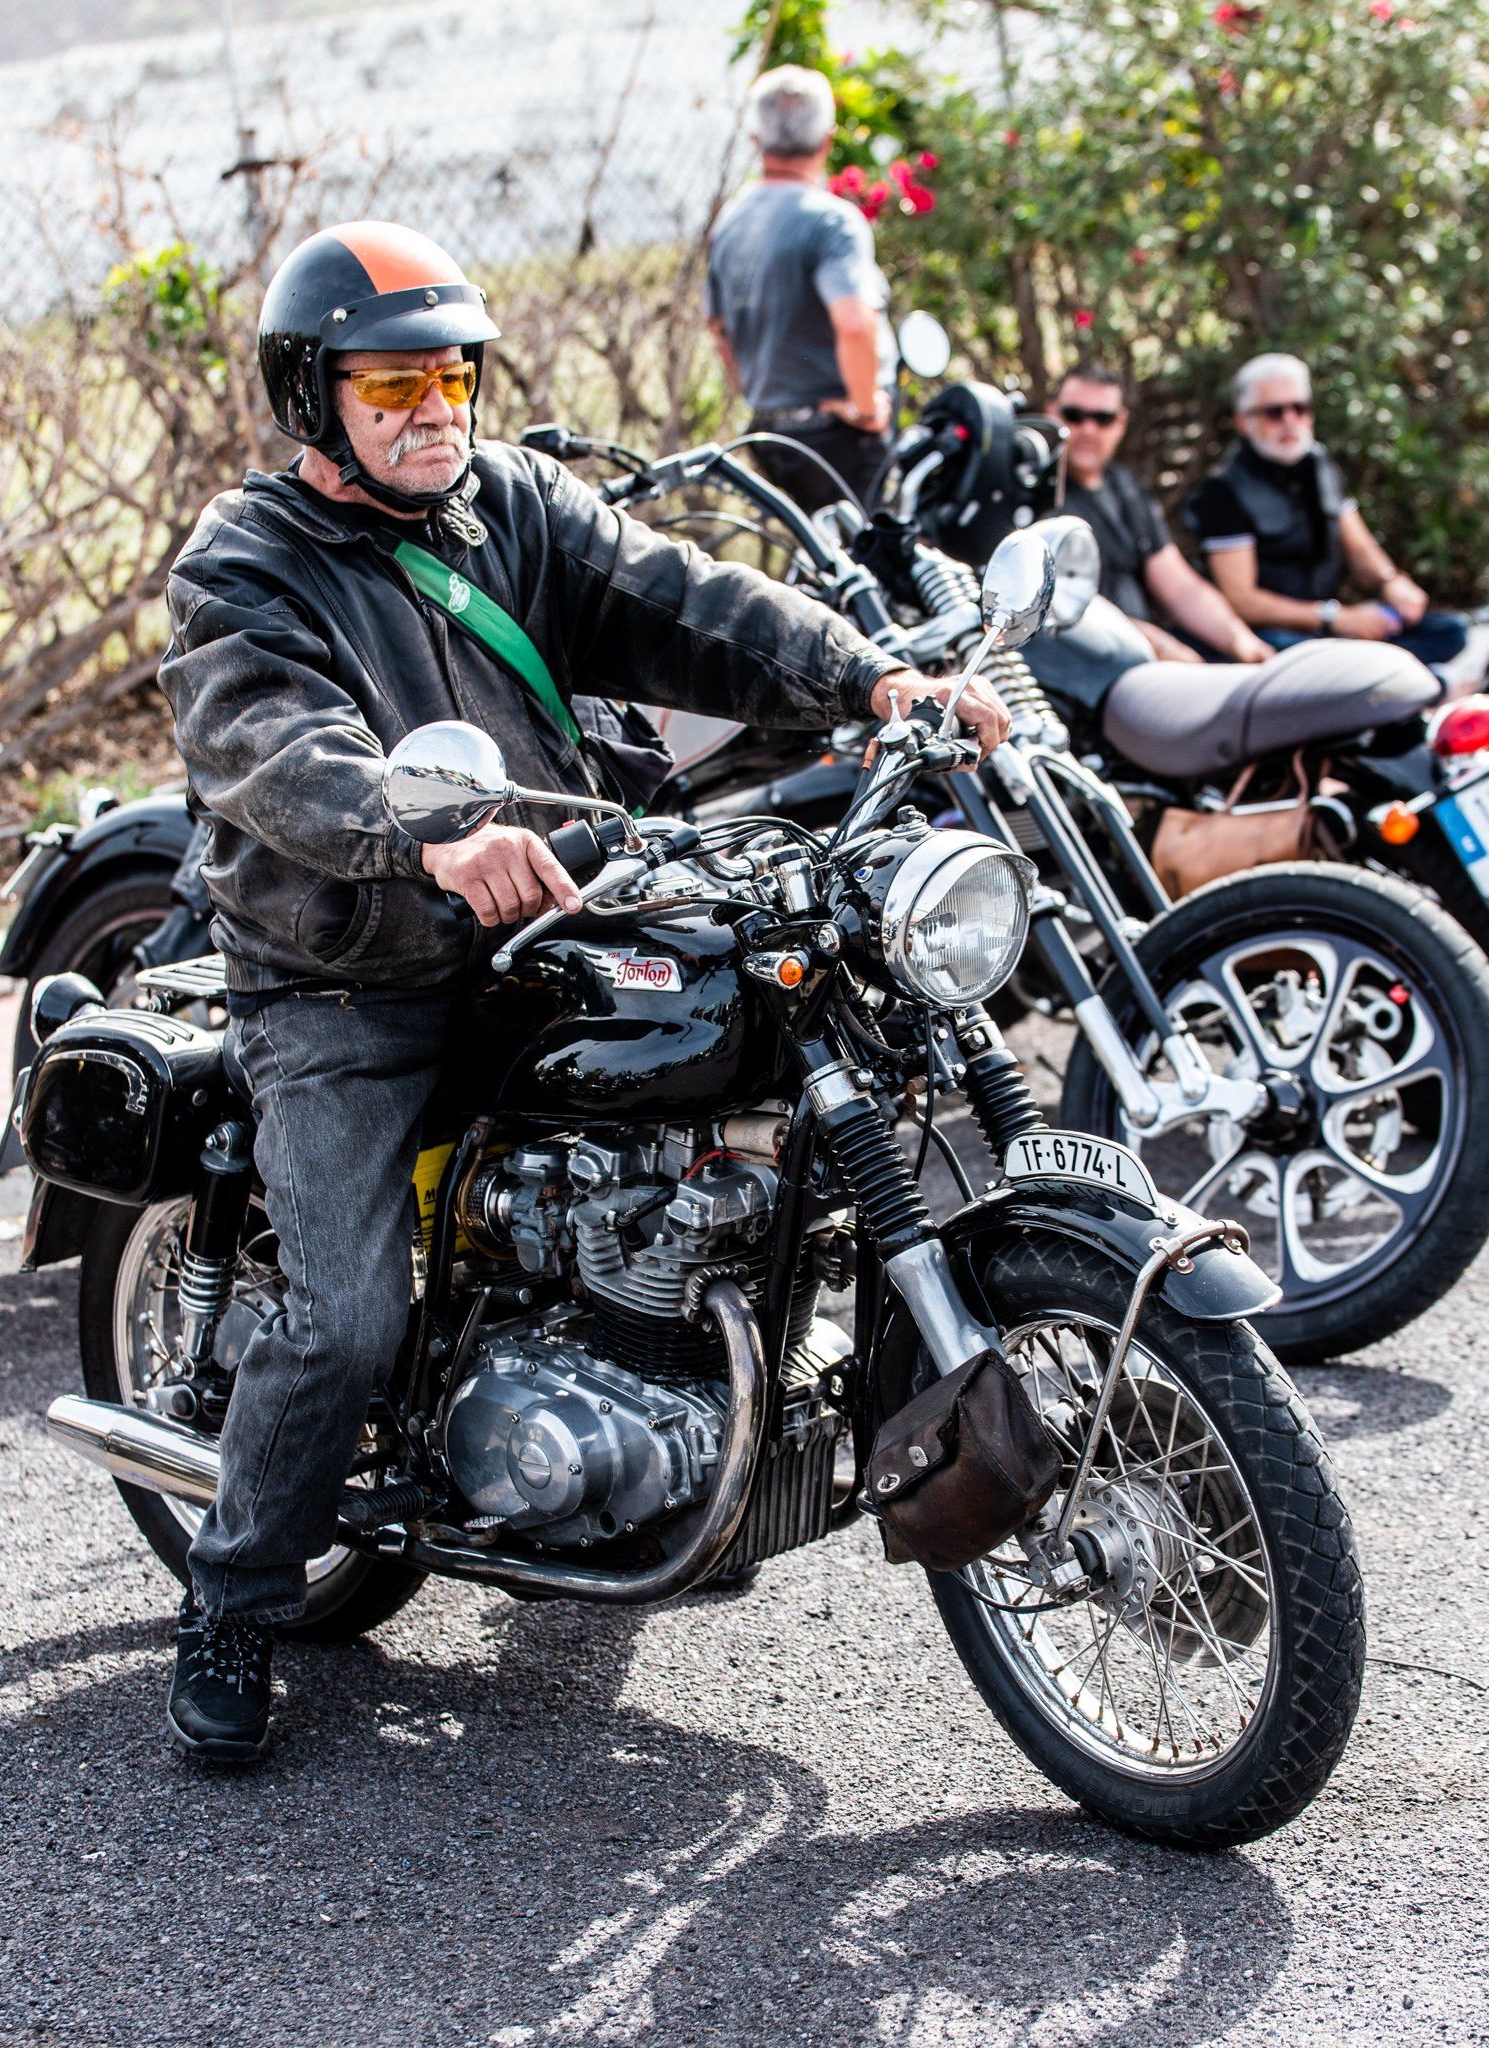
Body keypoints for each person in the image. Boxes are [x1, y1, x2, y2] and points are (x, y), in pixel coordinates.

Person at [154, 218, 1009, 1762]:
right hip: (347, 982)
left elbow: (690, 598)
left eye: (452, 376)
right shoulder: (244, 566)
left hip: (551, 916)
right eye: (391, 384)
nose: (434, 411)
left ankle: (669, 1409)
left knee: (751, 1089)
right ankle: (231, 1592)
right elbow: (273, 747)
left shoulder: (513, 509)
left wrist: (875, 679)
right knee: (348, 1320)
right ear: (311, 397)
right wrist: (430, 835)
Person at [1184, 351, 1472, 672]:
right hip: (1275, 636)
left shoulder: (1319, 466)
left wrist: (1390, 582)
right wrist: (1334, 617)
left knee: (1452, 631)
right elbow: (1241, 599)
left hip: (1333, 628)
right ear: (1243, 421)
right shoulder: (1225, 489)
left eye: (1299, 408)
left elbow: (1360, 547)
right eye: (1274, 413)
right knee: (1335, 665)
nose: (1289, 420)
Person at [705, 64, 896, 511]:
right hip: (838, 442)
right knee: (867, 567)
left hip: (770, 435)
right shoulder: (831, 221)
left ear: (757, 141)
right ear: (827, 140)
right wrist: (865, 409)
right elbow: (854, 323)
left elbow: (719, 329)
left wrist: (765, 396)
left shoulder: (729, 223)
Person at [1054, 362, 1271, 665]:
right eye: (1074, 416)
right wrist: (1158, 644)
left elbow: (1180, 587)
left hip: (1142, 661)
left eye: (1102, 418)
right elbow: (1059, 604)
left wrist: (1243, 641)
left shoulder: (1126, 488)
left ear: (1121, 423)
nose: (1088, 429)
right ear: (1052, 414)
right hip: (1082, 666)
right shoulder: (1032, 493)